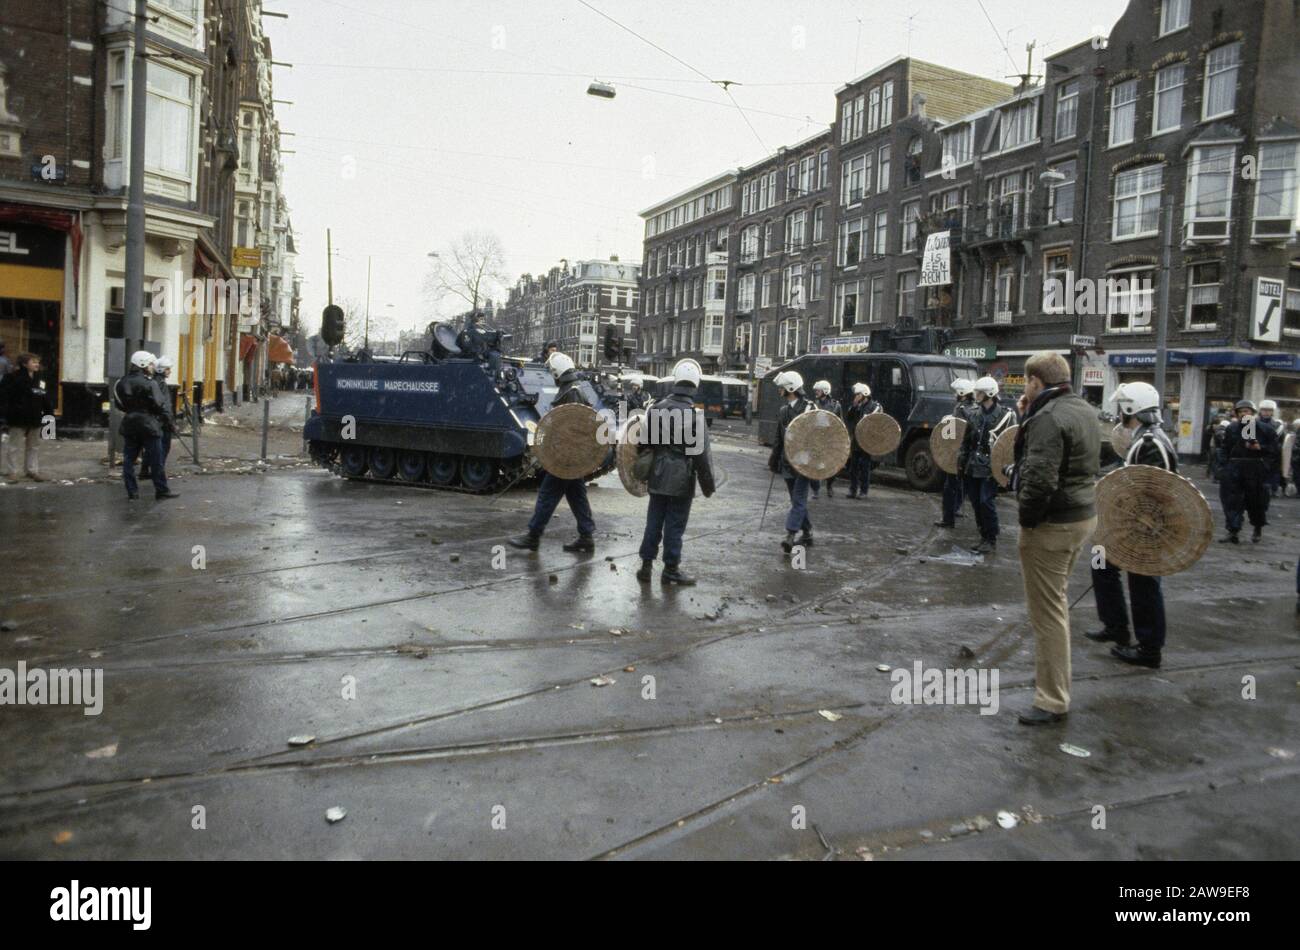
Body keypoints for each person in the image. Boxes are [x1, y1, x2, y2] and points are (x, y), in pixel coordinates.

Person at [1009, 352, 1099, 726]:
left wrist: (1027, 520)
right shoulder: (1082, 409)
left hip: (1052, 524)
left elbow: (1040, 478)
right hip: (1082, 516)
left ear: (1035, 381)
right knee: (1056, 605)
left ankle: (1051, 699)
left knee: (1046, 615)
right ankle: (1054, 683)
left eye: (1027, 381)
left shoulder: (1047, 417)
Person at [1086, 382, 1177, 669]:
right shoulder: (1144, 437)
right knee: (1101, 563)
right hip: (1133, 524)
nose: (1118, 413)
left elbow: (1154, 490)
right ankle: (1116, 626)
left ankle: (1150, 650)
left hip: (1147, 527)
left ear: (1131, 408)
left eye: (1121, 406)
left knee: (1144, 585)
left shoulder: (1150, 442)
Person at [635, 359, 716, 585]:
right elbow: (702, 457)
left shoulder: (657, 408)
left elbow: (643, 445)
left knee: (654, 520)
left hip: (658, 474)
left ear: (675, 381)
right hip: (682, 478)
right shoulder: (695, 416)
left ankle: (646, 566)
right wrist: (708, 486)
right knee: (675, 524)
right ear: (695, 385)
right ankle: (671, 569)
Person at [509, 352, 597, 553]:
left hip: (566, 456)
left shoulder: (570, 392)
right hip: (573, 455)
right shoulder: (574, 388)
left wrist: (553, 446)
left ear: (557, 372)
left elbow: (571, 425)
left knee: (548, 494)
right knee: (576, 494)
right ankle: (586, 535)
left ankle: (533, 535)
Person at [958, 376, 1015, 555]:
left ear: (989, 394)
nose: (976, 395)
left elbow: (1010, 442)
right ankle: (983, 536)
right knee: (976, 502)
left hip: (992, 467)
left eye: (980, 392)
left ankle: (991, 538)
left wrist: (1005, 468)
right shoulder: (973, 414)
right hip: (973, 466)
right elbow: (966, 441)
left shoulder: (1006, 415)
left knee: (985, 501)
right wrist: (961, 461)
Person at [113, 351, 179, 501]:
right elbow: (159, 405)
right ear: (142, 364)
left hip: (130, 423)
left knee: (129, 459)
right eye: (150, 364)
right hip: (149, 424)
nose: (152, 367)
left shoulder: (120, 382)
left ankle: (132, 492)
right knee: (156, 458)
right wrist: (169, 422)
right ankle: (161, 490)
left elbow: (119, 403)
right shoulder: (151, 383)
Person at [768, 370, 815, 553]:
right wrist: (774, 460)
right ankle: (808, 531)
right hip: (788, 464)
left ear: (790, 388)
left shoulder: (809, 408)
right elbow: (779, 439)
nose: (779, 390)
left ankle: (790, 534)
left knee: (798, 499)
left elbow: (820, 436)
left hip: (805, 464)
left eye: (782, 387)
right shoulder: (783, 410)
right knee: (797, 500)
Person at [1219, 399, 1278, 544]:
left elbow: (1274, 452)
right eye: (1241, 412)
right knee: (1232, 502)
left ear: (1253, 413)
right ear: (1237, 414)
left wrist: (1260, 449)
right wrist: (1223, 468)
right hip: (1235, 468)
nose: (1244, 414)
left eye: (1247, 411)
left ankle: (1257, 528)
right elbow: (1224, 448)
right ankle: (1233, 531)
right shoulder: (1232, 428)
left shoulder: (1266, 429)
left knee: (1257, 502)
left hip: (1256, 469)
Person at [0, 353, 53, 482]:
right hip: (17, 417)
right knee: (14, 446)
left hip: (35, 417)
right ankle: (12, 472)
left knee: (33, 446)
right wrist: (5, 415)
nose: (37, 364)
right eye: (33, 362)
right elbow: (4, 397)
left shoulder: (40, 379)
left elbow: (44, 397)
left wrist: (49, 415)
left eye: (37, 362)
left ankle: (32, 471)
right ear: (24, 364)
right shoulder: (12, 377)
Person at [935, 377, 976, 527]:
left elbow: (954, 434)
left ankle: (948, 519)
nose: (954, 396)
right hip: (970, 453)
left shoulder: (960, 409)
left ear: (962, 393)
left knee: (949, 487)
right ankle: (957, 508)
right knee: (962, 484)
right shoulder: (975, 408)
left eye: (956, 393)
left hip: (958, 453)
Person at [842, 382, 881, 499]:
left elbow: (876, 422)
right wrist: (853, 407)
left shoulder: (874, 406)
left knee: (864, 466)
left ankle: (863, 491)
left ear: (864, 394)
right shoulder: (856, 406)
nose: (856, 397)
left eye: (858, 394)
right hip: (856, 440)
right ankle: (853, 489)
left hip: (867, 441)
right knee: (853, 467)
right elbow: (848, 418)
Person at [142, 356, 176, 478]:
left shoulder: (152, 382)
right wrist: (169, 421)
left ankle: (144, 470)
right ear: (161, 370)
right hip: (162, 421)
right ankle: (158, 472)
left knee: (151, 446)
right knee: (163, 447)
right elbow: (165, 404)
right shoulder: (161, 384)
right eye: (168, 369)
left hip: (153, 419)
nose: (170, 371)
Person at [810, 380, 842, 497]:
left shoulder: (836, 405)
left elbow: (839, 423)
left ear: (825, 391)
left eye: (818, 390)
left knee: (831, 465)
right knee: (815, 464)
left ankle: (829, 486)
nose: (816, 393)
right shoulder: (813, 404)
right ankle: (816, 489)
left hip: (829, 439)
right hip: (816, 438)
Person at [1258, 400, 1284, 498]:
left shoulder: (1278, 425)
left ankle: (1274, 489)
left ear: (1273, 412)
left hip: (1273, 454)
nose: (1266, 412)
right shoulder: (1253, 423)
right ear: (1260, 411)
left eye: (1269, 410)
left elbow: (1278, 439)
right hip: (1258, 452)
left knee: (1274, 473)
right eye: (1264, 410)